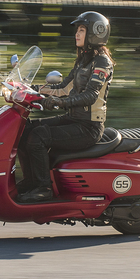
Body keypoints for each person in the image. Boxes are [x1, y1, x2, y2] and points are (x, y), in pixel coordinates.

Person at [17, 11, 114, 202]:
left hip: (88, 127)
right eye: (77, 30)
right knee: (24, 130)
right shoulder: (83, 61)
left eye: (82, 29)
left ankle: (44, 188)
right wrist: (30, 89)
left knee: (38, 136)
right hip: (73, 119)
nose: (76, 34)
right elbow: (63, 88)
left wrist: (60, 102)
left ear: (96, 32)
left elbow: (90, 95)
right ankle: (31, 182)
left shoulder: (102, 62)